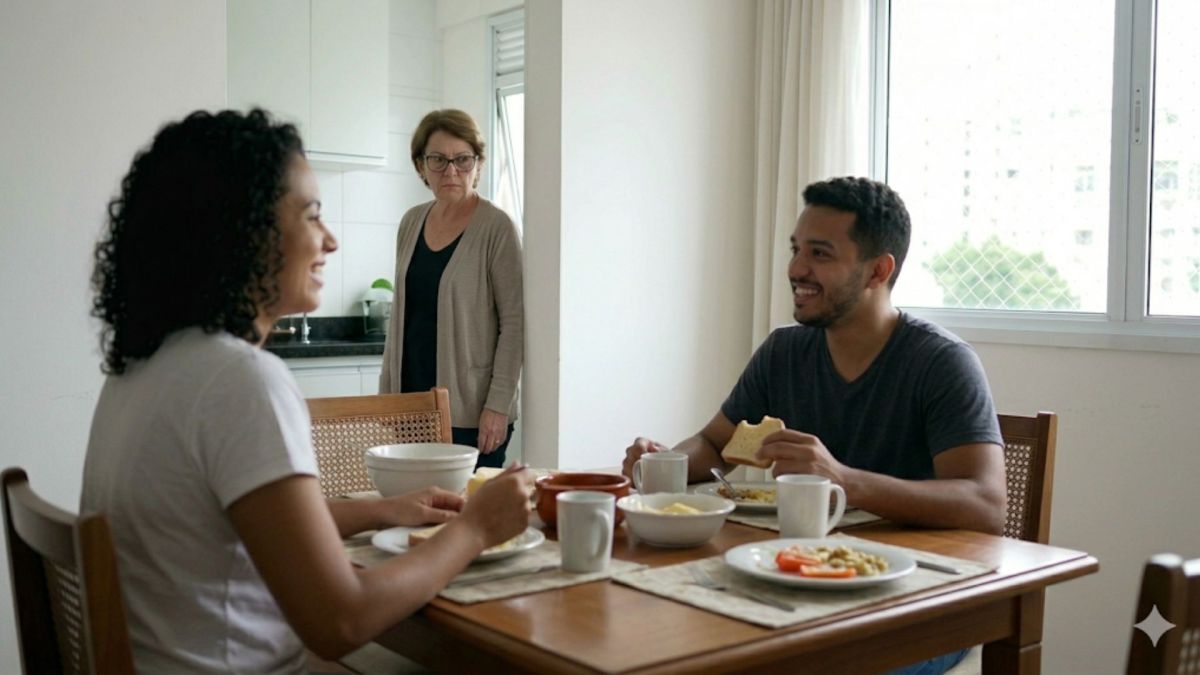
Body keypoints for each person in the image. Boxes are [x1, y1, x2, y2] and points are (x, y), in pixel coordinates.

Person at [83, 109, 534, 673]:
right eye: (313, 215)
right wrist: (474, 528)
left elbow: (237, 524)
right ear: (245, 230)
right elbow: (341, 622)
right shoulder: (239, 381)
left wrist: (382, 510)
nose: (331, 239)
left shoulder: (143, 367)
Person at [621, 177, 1006, 675]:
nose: (796, 269)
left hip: (916, 608)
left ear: (878, 271)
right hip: (803, 582)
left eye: (820, 254)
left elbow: (986, 505)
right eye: (796, 250)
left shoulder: (941, 363)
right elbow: (716, 445)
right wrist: (664, 462)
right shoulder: (784, 352)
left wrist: (844, 479)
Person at [379, 109, 523, 470]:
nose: (451, 171)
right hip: (411, 408)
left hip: (470, 414)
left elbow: (514, 323)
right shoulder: (411, 222)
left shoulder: (497, 228)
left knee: (467, 515)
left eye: (462, 159)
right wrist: (387, 396)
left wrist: (498, 406)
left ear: (478, 163)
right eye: (438, 160)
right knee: (418, 515)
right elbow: (402, 317)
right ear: (421, 166)